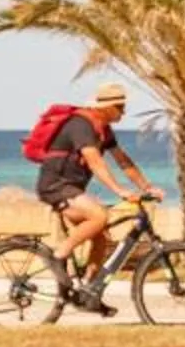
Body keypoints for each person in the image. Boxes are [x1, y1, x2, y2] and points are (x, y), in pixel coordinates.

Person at [35, 80, 162, 315]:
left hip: (72, 188)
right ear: (106, 107)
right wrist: (120, 191)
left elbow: (123, 161)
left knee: (101, 237)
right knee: (99, 215)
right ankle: (58, 256)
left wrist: (147, 186)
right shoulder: (81, 125)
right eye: (120, 107)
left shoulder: (104, 129)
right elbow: (95, 162)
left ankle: (90, 293)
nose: (123, 112)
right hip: (56, 186)